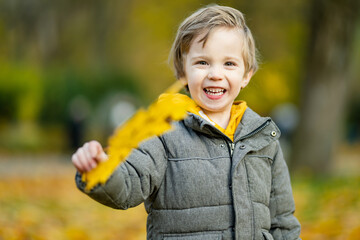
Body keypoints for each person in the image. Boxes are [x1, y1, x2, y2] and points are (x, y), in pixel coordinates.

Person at [72, 4, 301, 239]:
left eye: (229, 63)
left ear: (246, 75)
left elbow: (283, 221)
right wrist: (100, 170)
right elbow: (130, 182)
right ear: (183, 71)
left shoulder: (263, 138)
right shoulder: (162, 130)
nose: (215, 74)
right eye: (202, 62)